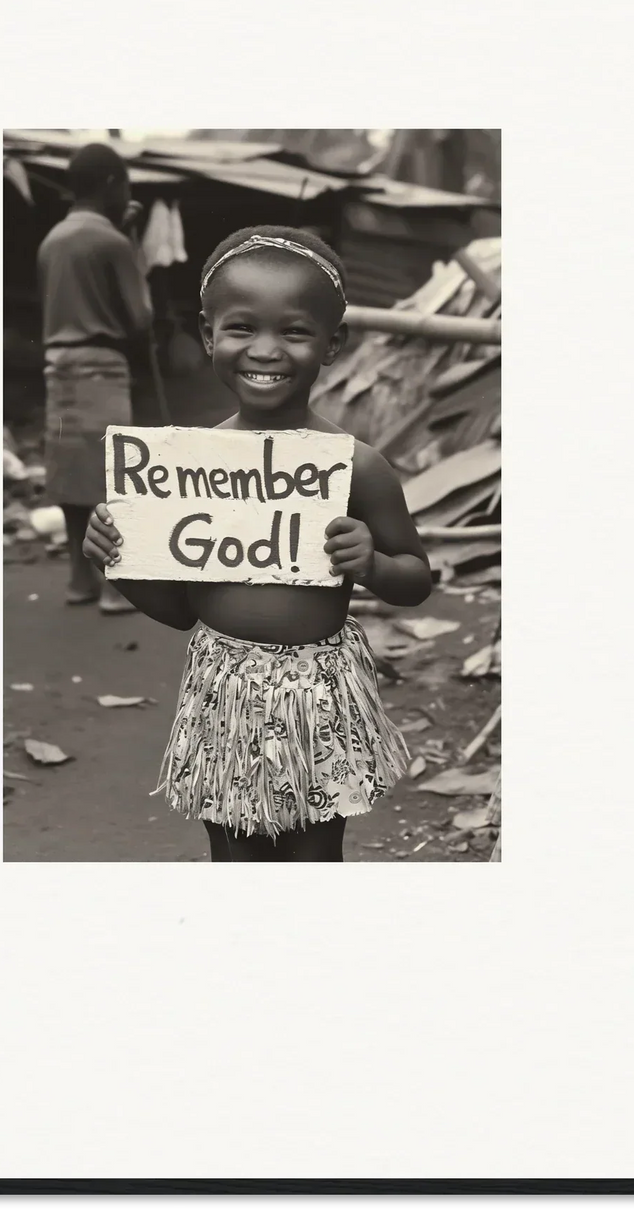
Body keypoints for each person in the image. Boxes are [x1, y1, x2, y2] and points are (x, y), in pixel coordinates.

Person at [81, 226, 433, 861]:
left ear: (333, 345)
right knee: (235, 857)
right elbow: (183, 609)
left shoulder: (357, 467)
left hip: (318, 693)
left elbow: (417, 578)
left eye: (294, 332)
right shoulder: (183, 472)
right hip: (224, 689)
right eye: (242, 328)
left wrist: (374, 564)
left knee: (314, 857)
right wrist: (119, 564)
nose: (265, 350)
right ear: (209, 334)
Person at [37, 143, 150, 612]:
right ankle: (114, 585)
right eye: (124, 184)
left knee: (69, 475)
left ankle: (79, 580)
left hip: (58, 370)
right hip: (102, 367)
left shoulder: (53, 240)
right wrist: (130, 239)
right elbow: (141, 318)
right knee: (114, 475)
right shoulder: (112, 242)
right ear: (111, 185)